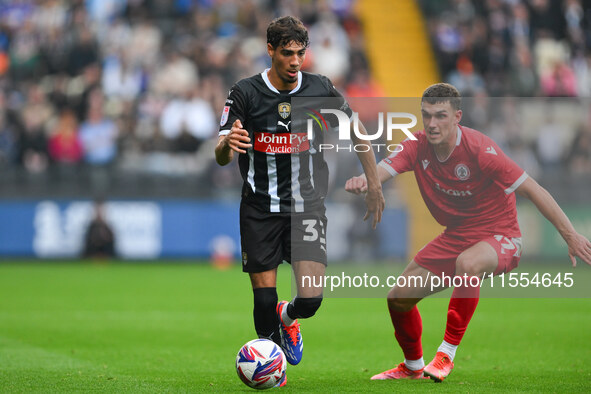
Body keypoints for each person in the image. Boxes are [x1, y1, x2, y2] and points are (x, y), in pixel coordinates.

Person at [345, 83, 591, 382]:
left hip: (500, 235)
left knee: (468, 263)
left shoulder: (481, 150)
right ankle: (412, 367)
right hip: (456, 236)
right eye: (427, 116)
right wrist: (365, 180)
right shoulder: (415, 144)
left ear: (457, 116)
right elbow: (384, 169)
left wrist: (570, 235)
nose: (432, 124)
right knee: (398, 298)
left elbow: (533, 190)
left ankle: (446, 354)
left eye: (441, 116)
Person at [214, 16, 384, 387]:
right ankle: (275, 371)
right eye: (287, 53)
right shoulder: (244, 92)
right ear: (271, 50)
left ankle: (288, 318)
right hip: (259, 208)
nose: (294, 61)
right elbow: (222, 153)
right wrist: (227, 145)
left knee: (310, 300)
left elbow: (357, 130)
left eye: (300, 53)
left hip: (307, 207)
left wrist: (374, 182)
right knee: (262, 302)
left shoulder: (320, 88)